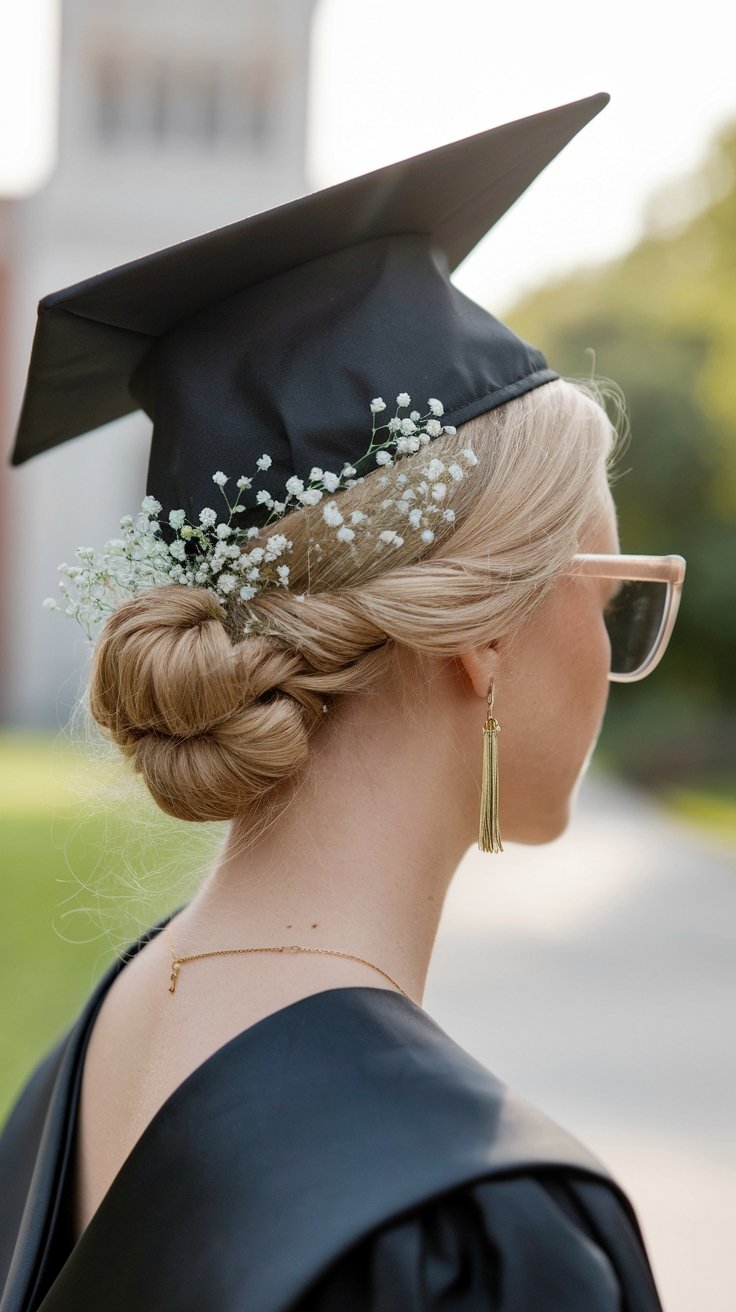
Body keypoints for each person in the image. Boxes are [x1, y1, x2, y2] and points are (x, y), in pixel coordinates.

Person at [0, 94, 681, 1311]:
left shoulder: (76, 1073)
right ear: (480, 628)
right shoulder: (471, 1227)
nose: (619, 651)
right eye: (616, 592)